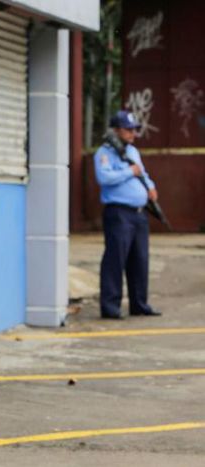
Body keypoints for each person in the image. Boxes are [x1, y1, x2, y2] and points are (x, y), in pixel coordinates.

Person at [94, 110, 161, 320]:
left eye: (134, 130)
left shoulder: (132, 152)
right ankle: (110, 307)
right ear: (116, 130)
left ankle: (139, 304)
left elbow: (142, 173)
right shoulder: (104, 153)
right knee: (116, 259)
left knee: (139, 259)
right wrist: (128, 172)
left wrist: (150, 187)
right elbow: (104, 178)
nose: (133, 133)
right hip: (119, 213)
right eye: (128, 130)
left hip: (139, 214)